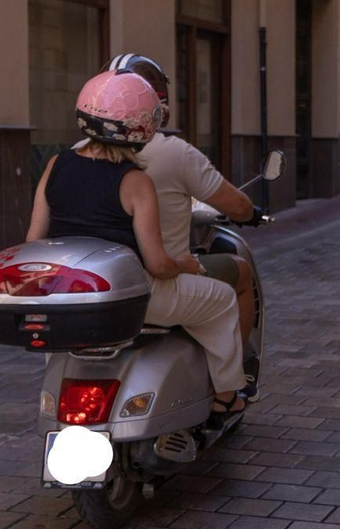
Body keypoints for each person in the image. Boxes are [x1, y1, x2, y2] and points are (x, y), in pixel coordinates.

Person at [25, 70, 247, 420]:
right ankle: (227, 396)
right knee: (222, 301)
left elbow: (33, 243)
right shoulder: (135, 182)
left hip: (69, 298)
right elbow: (158, 265)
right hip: (129, 301)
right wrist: (185, 264)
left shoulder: (55, 165)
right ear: (143, 126)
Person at [104, 54, 262, 398]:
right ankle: (229, 387)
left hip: (100, 288)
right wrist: (250, 213)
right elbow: (236, 205)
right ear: (158, 104)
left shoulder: (76, 155)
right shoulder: (170, 152)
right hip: (158, 284)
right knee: (240, 273)